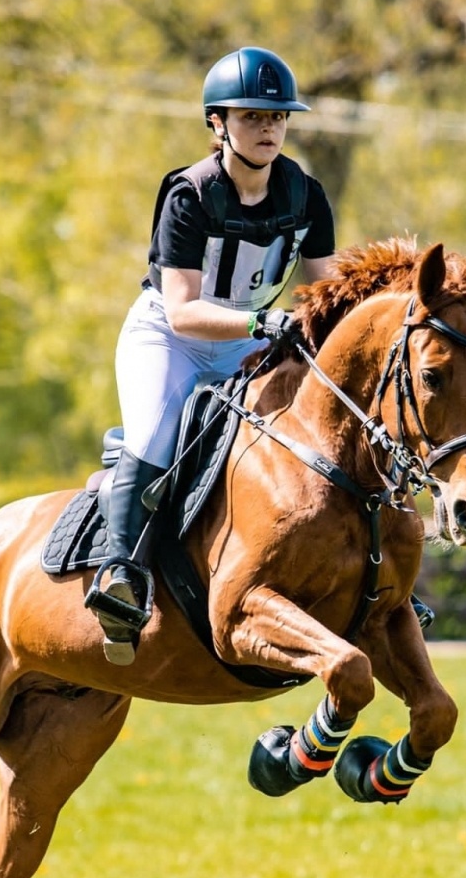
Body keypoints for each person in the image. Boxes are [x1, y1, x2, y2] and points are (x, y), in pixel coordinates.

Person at [89, 46, 338, 665]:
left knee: (329, 426)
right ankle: (120, 576)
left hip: (253, 341)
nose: (269, 129)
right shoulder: (189, 196)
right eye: (252, 117)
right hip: (171, 339)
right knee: (155, 434)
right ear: (217, 123)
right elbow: (182, 309)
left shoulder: (306, 195)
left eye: (278, 118)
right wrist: (265, 321)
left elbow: (329, 290)